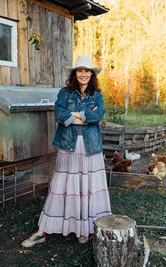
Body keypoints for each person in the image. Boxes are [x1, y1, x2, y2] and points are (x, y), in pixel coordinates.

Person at [21, 56, 112, 247]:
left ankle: (84, 229)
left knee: (87, 187)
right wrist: (83, 117)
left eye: (87, 71)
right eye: (79, 70)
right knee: (62, 186)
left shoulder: (97, 95)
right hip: (68, 144)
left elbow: (98, 115)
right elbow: (60, 114)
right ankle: (43, 231)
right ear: (74, 73)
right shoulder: (65, 93)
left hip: (90, 147)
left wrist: (75, 116)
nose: (83, 74)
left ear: (92, 74)